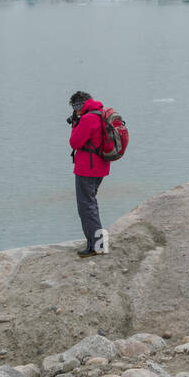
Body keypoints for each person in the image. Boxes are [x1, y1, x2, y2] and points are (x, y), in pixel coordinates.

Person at [67, 91, 110, 258]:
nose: (75, 112)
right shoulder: (100, 113)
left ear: (79, 106)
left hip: (87, 169)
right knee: (91, 204)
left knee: (86, 207)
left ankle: (97, 246)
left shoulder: (87, 119)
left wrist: (75, 125)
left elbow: (74, 142)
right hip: (100, 167)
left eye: (75, 108)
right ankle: (97, 242)